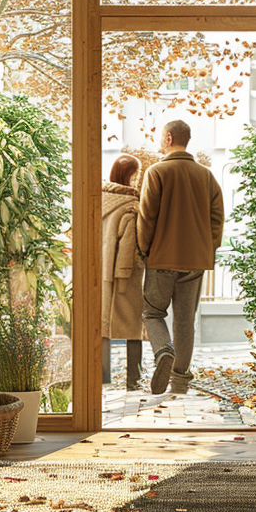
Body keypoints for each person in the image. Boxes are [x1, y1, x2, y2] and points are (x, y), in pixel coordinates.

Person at [137, 120, 224, 395]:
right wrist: (206, 250)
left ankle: (163, 351)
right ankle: (180, 382)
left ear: (169, 137)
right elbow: (217, 219)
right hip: (195, 261)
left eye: (161, 135)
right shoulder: (207, 176)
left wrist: (144, 249)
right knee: (185, 321)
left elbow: (147, 217)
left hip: (162, 257)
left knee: (152, 313)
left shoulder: (157, 172)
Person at [101, 154, 146, 389]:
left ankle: (102, 377)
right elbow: (129, 244)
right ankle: (133, 379)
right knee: (132, 328)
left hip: (99, 272)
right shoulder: (131, 206)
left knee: (102, 325)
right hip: (123, 273)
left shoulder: (98, 199)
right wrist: (131, 270)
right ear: (128, 176)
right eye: (135, 174)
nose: (137, 179)